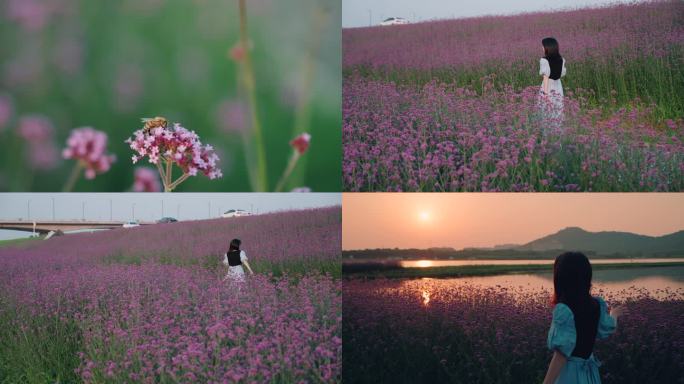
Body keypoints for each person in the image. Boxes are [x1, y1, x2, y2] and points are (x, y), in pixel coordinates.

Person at [542, 252, 628, 384]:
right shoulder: (596, 304)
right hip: (588, 372)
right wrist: (614, 314)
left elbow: (561, 355)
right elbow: (606, 328)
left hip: (570, 374)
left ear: (560, 278)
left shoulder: (564, 310)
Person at [539, 37, 567, 126]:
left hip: (548, 86)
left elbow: (546, 78)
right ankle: (558, 130)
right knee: (557, 108)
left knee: (546, 109)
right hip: (558, 86)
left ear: (547, 48)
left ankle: (547, 133)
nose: (542, 48)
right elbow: (561, 74)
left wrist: (545, 94)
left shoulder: (544, 60)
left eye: (543, 46)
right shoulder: (561, 59)